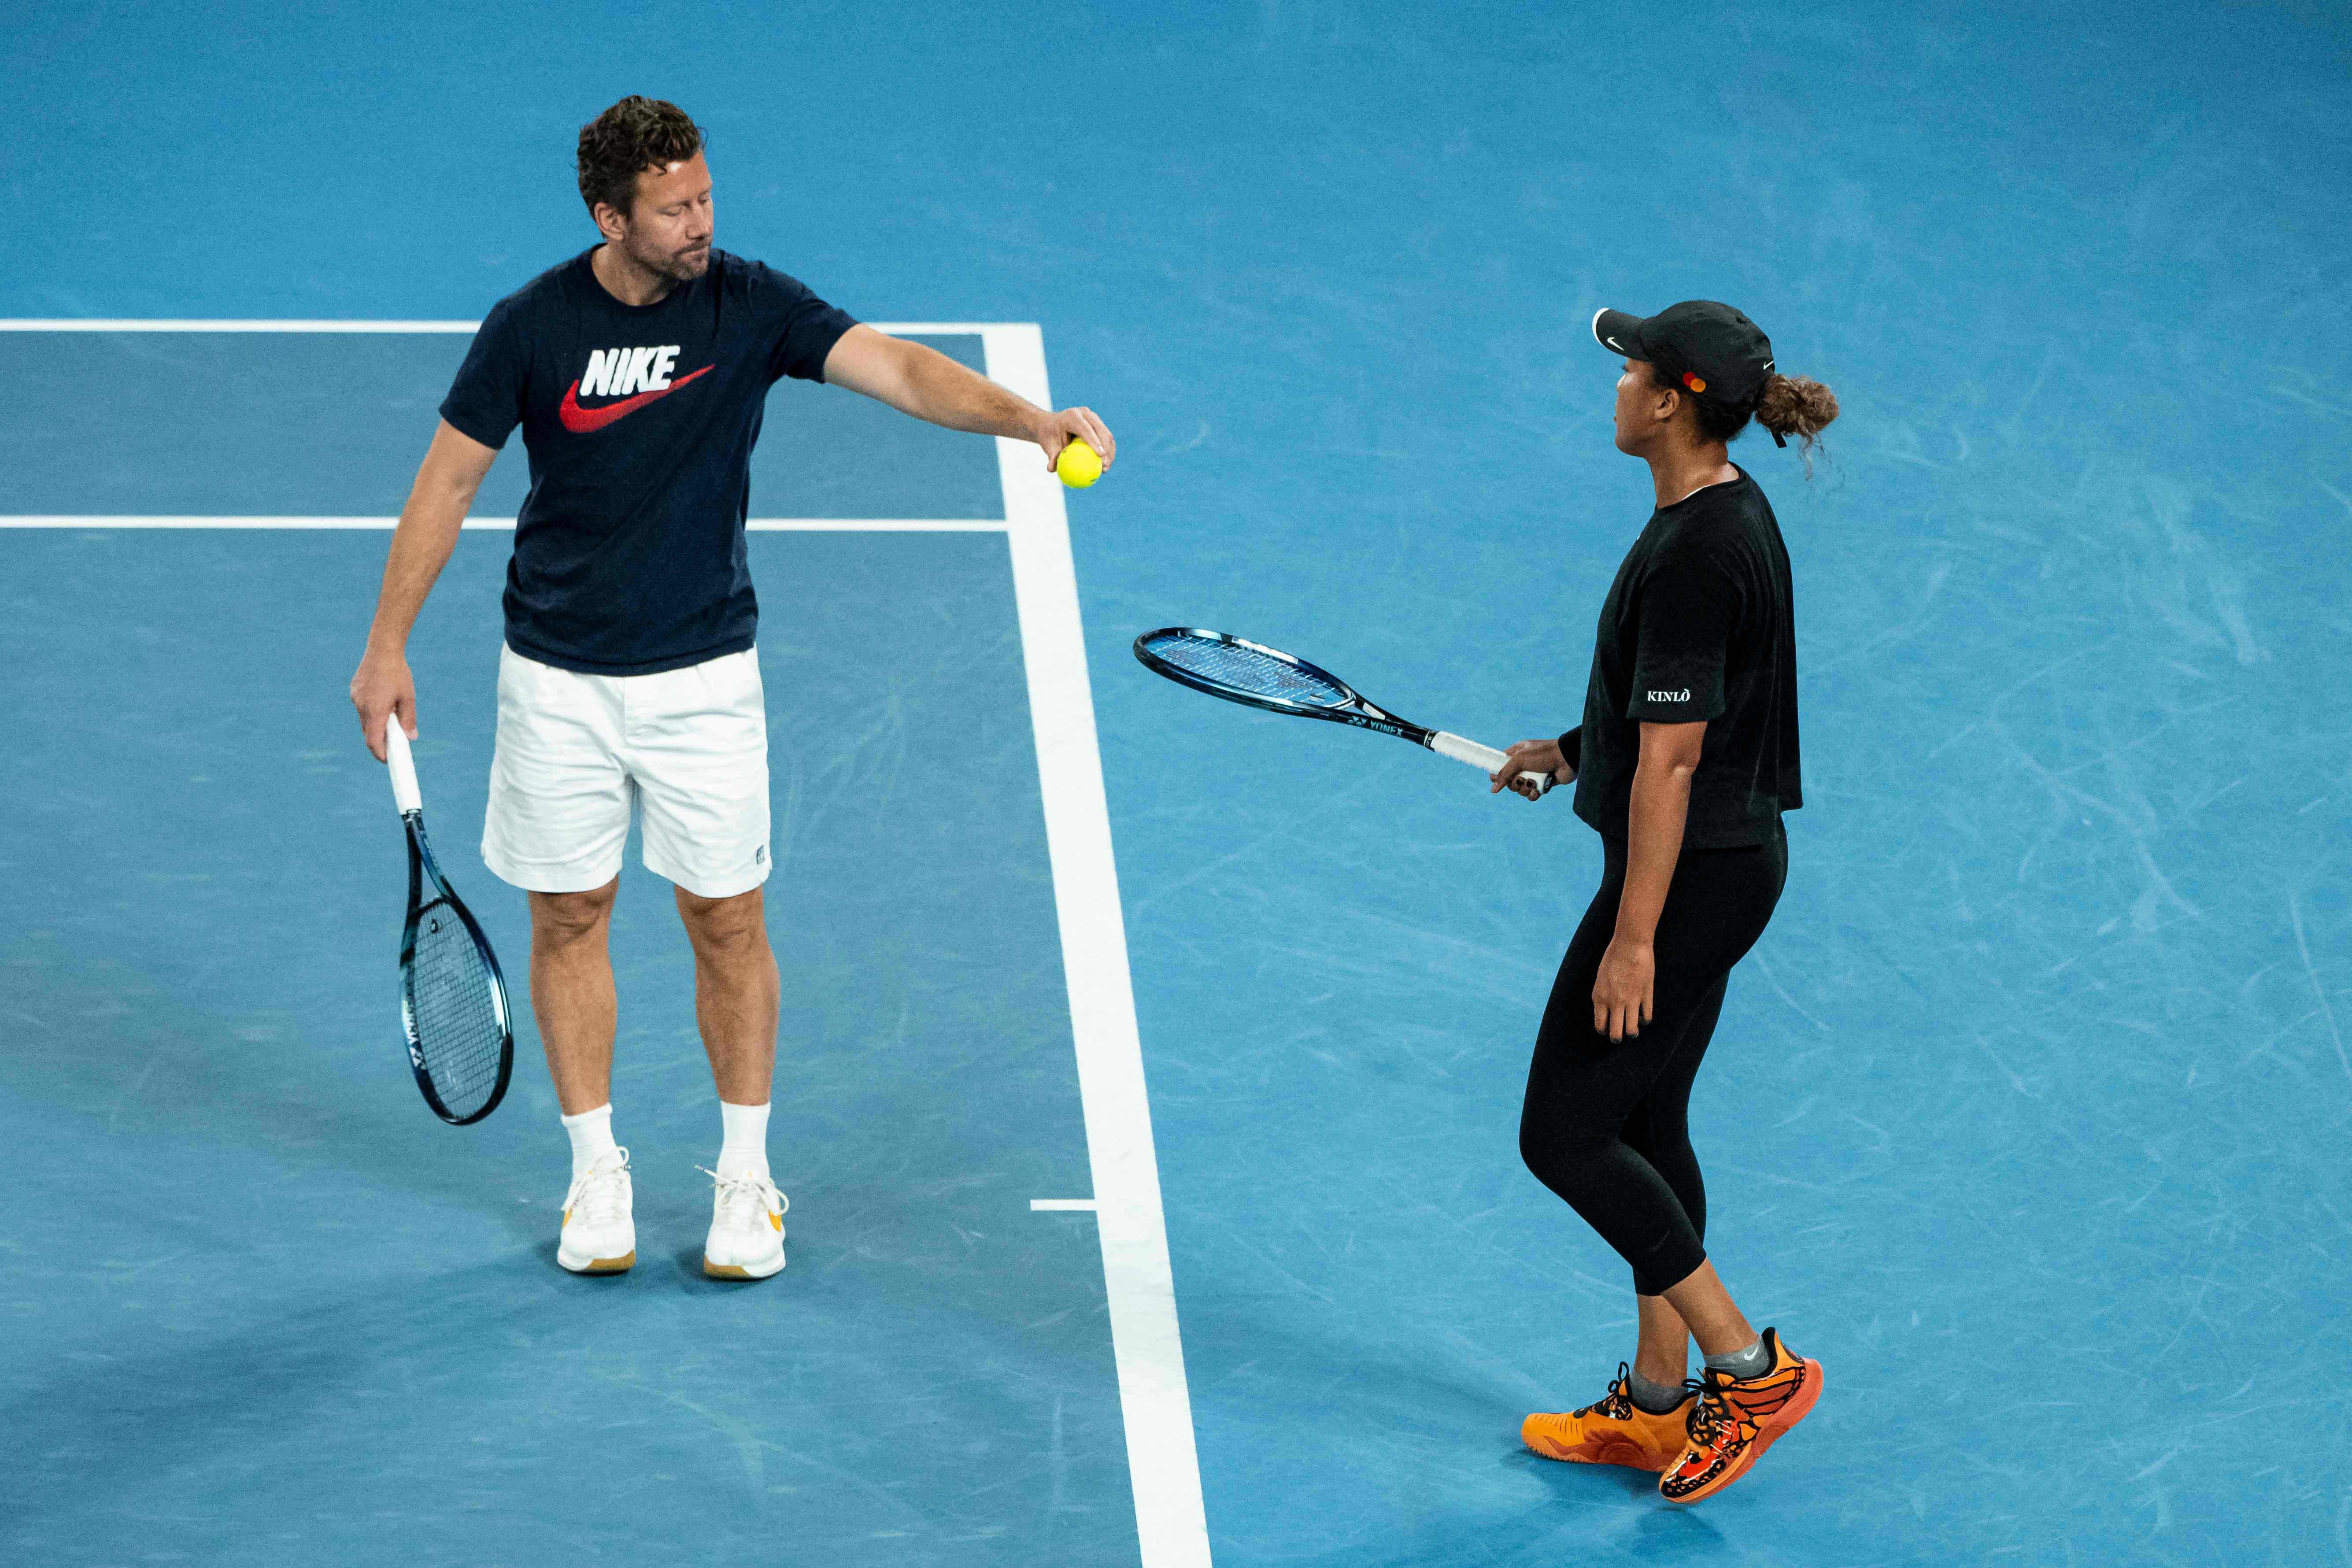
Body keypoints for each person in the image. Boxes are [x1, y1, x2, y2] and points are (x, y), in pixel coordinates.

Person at [348, 96, 1114, 1282]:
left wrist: (1029, 423)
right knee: (568, 918)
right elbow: (447, 484)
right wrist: (386, 644)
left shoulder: (749, 305)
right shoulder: (532, 326)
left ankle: (746, 1180)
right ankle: (594, 1170)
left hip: (703, 678)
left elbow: (899, 372)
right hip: (553, 678)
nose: (702, 221)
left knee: (727, 920)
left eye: (706, 196)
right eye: (675, 208)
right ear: (613, 216)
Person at [1490, 301, 1836, 1503]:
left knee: (1563, 1135)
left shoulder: (1696, 551)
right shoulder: (1721, 511)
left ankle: (1747, 1368)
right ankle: (1653, 1405)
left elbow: (1678, 762)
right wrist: (1579, 746)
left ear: (1672, 401)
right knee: (1641, 1127)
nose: (1618, 383)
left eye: (1631, 367)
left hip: (1688, 881)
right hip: (1723, 864)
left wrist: (1633, 938)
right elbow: (1675, 717)